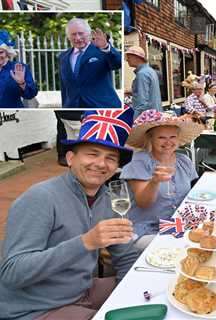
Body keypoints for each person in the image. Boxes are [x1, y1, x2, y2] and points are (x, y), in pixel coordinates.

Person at [0, 108, 139, 319]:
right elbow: (12, 273)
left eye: (111, 158)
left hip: (81, 291)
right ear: (70, 158)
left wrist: (131, 292)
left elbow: (126, 255)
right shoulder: (40, 198)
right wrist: (85, 242)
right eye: (92, 153)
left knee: (155, 292)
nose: (101, 164)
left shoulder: (109, 199)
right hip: (35, 308)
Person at [120, 110, 205, 249]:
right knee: (184, 247)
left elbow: (194, 196)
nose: (168, 142)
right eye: (161, 137)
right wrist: (154, 182)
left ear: (178, 138)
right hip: (147, 228)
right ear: (150, 139)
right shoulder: (140, 162)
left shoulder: (184, 161)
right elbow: (144, 203)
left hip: (178, 224)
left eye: (173, 137)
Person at [59, 18, 122, 108]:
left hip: (102, 108)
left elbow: (117, 64)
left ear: (89, 34)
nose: (77, 38)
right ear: (68, 37)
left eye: (81, 33)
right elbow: (64, 87)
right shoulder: (63, 57)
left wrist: (105, 47)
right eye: (73, 34)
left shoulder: (102, 50)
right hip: (75, 110)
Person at [0, 29, 38, 108]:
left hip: (13, 117)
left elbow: (31, 94)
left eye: (1, 52)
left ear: (7, 53)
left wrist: (22, 83)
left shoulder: (18, 68)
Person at [125, 46, 162, 119]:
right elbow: (149, 92)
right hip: (155, 114)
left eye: (129, 57)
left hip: (148, 118)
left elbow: (142, 102)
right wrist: (131, 91)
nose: (127, 60)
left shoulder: (142, 74)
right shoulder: (150, 71)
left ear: (137, 57)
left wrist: (135, 120)